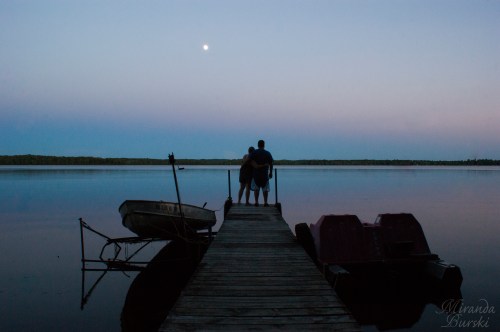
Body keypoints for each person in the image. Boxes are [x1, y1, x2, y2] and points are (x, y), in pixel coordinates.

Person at [249, 139, 274, 207]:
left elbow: (250, 161)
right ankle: (265, 202)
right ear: (264, 145)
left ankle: (256, 202)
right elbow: (271, 163)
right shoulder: (268, 153)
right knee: (265, 189)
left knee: (256, 189)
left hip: (256, 174)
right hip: (264, 174)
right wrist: (271, 172)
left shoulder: (254, 153)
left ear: (258, 145)